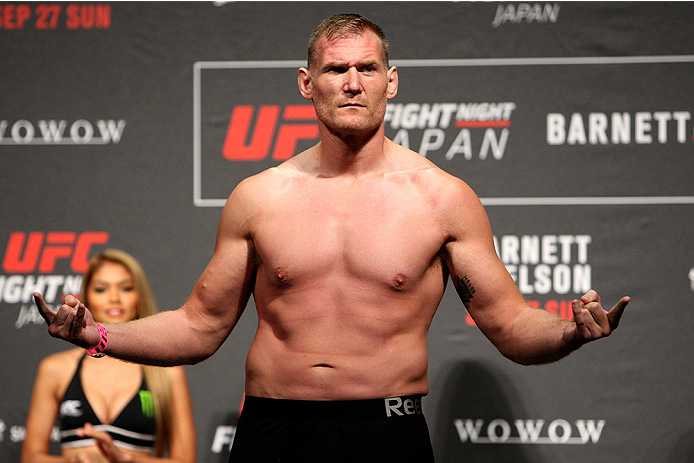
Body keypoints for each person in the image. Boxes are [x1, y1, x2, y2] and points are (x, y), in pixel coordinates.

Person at [33, 14, 629, 463]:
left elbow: (507, 324)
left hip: (387, 432)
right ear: (305, 83)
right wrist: (97, 334)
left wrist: (569, 332)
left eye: (366, 69)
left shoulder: (442, 198)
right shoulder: (259, 197)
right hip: (273, 428)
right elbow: (199, 326)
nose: (351, 83)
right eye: (335, 70)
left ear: (391, 83)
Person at [23, 249, 196, 463]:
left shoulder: (167, 372)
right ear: (86, 298)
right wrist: (74, 461)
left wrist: (127, 460)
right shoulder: (56, 369)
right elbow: (31, 457)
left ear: (139, 295)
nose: (114, 298)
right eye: (101, 289)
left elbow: (186, 460)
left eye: (126, 288)